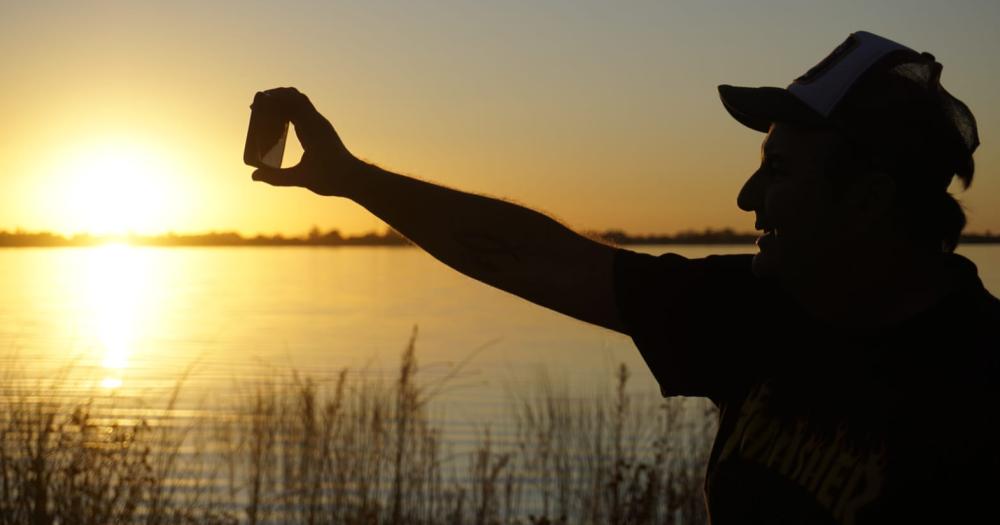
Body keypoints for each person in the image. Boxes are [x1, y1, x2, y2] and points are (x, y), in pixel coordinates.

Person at [251, 30, 999, 524]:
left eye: (780, 172)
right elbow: (529, 255)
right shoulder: (755, 311)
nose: (746, 198)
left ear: (868, 198)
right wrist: (353, 177)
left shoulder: (979, 383)